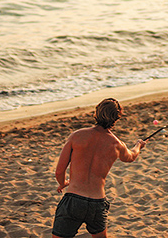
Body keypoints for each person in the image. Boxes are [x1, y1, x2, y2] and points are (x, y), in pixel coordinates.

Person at [51, 98, 147, 238]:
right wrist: (138, 145)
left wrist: (63, 183)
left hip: (74, 200)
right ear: (116, 118)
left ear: (97, 112)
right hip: (97, 203)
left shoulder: (77, 136)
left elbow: (59, 171)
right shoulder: (117, 144)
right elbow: (131, 156)